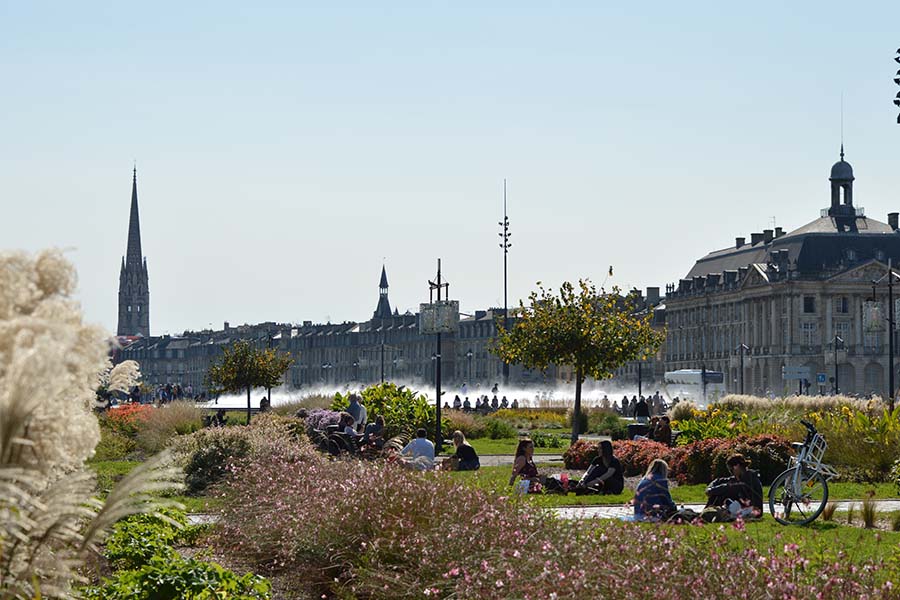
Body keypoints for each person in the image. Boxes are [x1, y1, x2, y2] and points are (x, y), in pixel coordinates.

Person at [705, 454, 764, 518]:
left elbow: (729, 487)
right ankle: (707, 512)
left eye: (731, 469)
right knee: (718, 493)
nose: (730, 472)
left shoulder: (749, 480)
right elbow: (720, 481)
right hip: (744, 508)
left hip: (752, 510)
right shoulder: (741, 477)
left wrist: (711, 491)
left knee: (721, 494)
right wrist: (710, 488)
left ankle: (707, 513)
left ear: (737, 466)